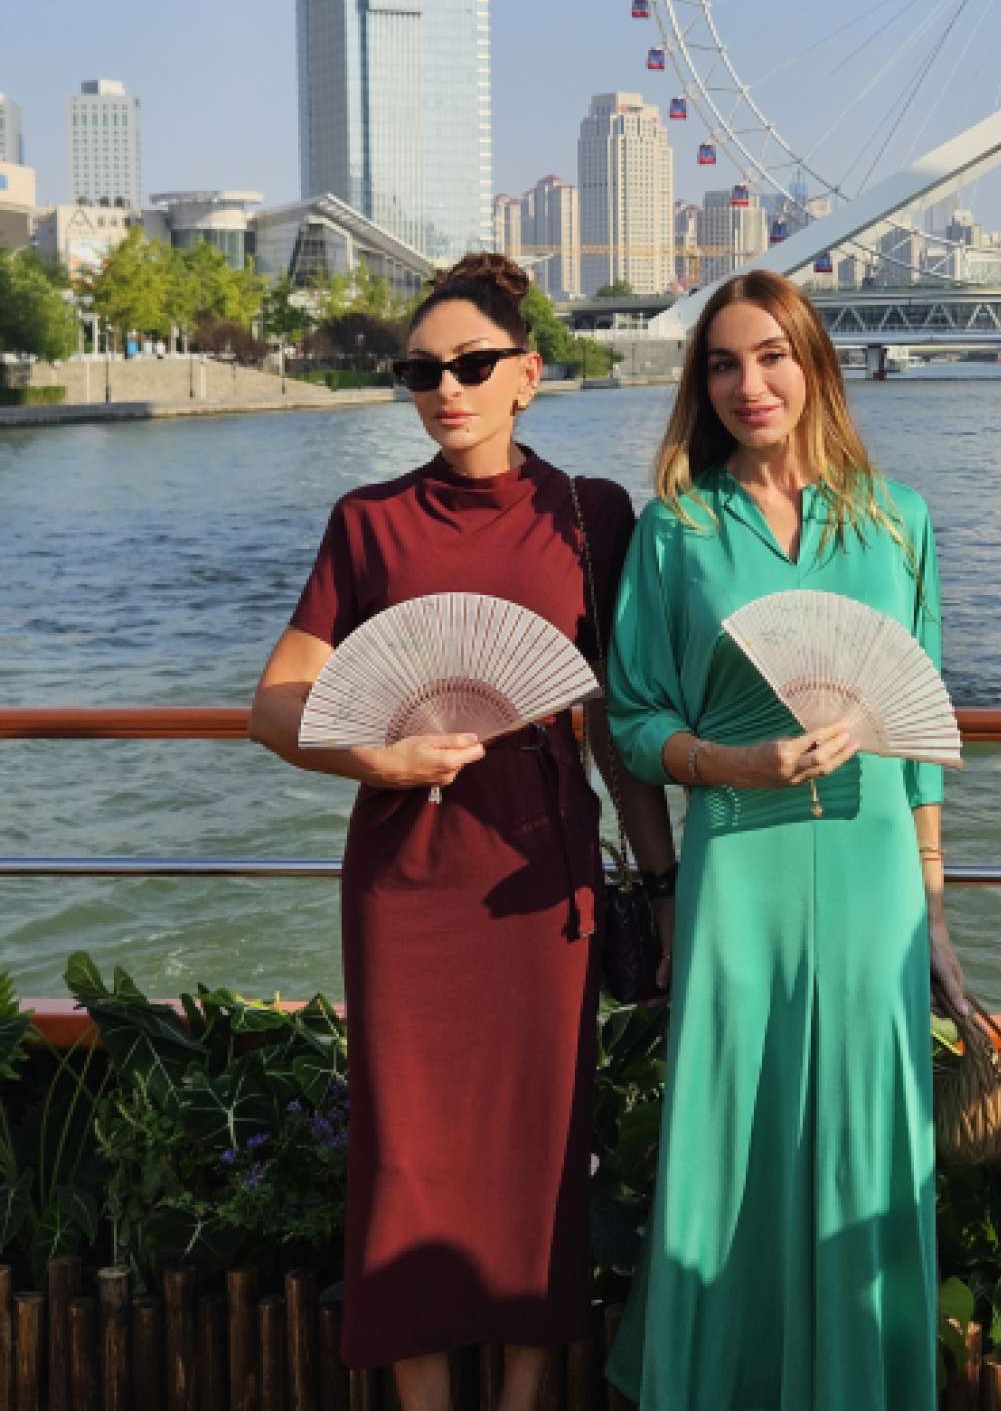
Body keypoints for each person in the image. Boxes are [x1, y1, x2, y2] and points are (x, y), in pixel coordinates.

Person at [249, 254, 675, 1411]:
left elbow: (613, 729)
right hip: (408, 881)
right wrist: (373, 756)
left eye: (472, 365)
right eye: (420, 372)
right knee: (408, 1158)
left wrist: (662, 884)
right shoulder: (368, 521)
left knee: (543, 1148)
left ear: (527, 375)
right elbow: (275, 704)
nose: (446, 388)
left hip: (543, 881)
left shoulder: (592, 514)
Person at [604, 270, 970, 1411]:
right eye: (722, 363)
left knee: (868, 1130)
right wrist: (735, 763)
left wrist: (935, 910)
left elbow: (919, 727)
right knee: (731, 1136)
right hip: (735, 863)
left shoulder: (898, 519)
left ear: (813, 364)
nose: (748, 383)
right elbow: (633, 718)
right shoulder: (675, 529)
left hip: (874, 870)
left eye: (771, 355)